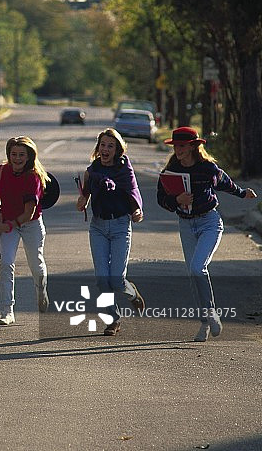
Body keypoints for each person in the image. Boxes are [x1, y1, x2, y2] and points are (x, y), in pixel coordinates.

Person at [156, 126, 257, 342]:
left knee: (197, 267)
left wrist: (243, 193)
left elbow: (225, 183)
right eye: (176, 146)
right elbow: (161, 198)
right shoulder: (170, 170)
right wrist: (176, 201)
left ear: (193, 146)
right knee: (194, 274)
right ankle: (205, 323)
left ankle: (211, 313)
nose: (178, 150)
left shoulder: (207, 168)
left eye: (182, 146)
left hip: (209, 222)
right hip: (185, 225)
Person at [76, 128, 146, 336]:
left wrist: (137, 209)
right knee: (101, 278)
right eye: (102, 145)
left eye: (110, 146)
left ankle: (132, 293)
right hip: (97, 227)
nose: (105, 149)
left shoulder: (124, 169)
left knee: (116, 279)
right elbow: (84, 197)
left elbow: (133, 191)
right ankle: (112, 320)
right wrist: (81, 202)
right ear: (98, 148)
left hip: (120, 226)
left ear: (117, 149)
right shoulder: (92, 170)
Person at [0, 136, 50, 325]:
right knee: (6, 264)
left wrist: (5, 226)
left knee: (36, 264)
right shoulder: (1, 171)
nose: (17, 158)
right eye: (13, 154)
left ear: (30, 156)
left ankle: (41, 290)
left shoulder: (34, 177)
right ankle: (7, 311)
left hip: (30, 224)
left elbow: (29, 213)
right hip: (7, 221)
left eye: (22, 154)